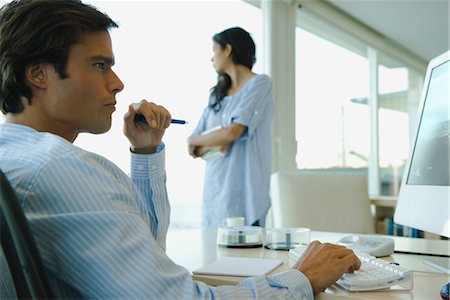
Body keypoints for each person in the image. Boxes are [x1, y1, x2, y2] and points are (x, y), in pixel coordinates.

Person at [0, 0, 360, 299]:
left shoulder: (15, 158)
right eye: (99, 65)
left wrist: (145, 153)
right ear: (38, 74)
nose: (118, 83)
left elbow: (144, 259)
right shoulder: (61, 168)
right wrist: (303, 279)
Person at [188, 27, 272, 227]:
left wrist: (209, 140)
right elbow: (192, 148)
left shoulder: (260, 84)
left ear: (227, 50)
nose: (211, 58)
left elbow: (234, 131)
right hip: (216, 193)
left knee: (249, 255)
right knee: (213, 255)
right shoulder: (216, 96)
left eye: (214, 49)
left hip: (246, 194)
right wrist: (213, 142)